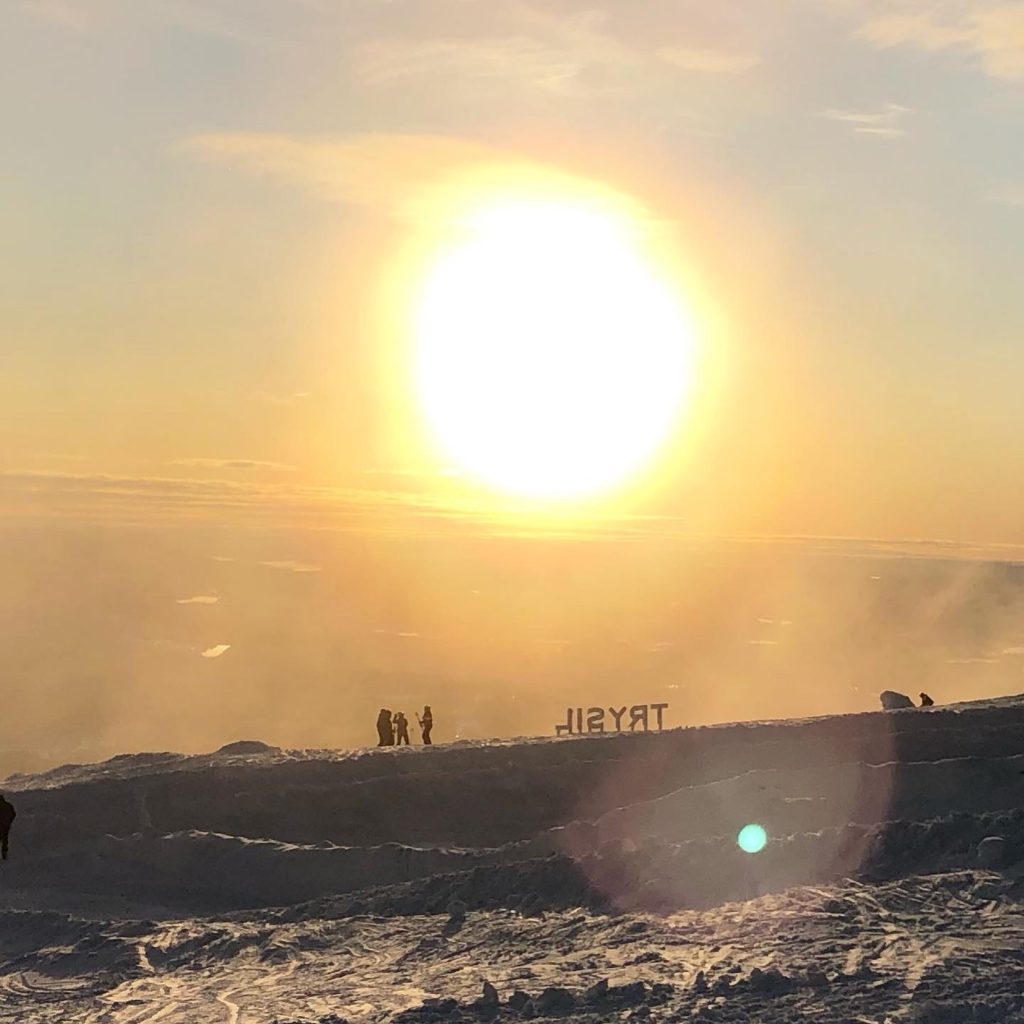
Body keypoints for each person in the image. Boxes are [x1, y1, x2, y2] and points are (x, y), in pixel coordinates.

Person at [0, 794, 16, 861]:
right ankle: (4, 853)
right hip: (6, 825)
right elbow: (13, 814)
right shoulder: (8, 805)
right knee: (5, 839)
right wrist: (9, 821)